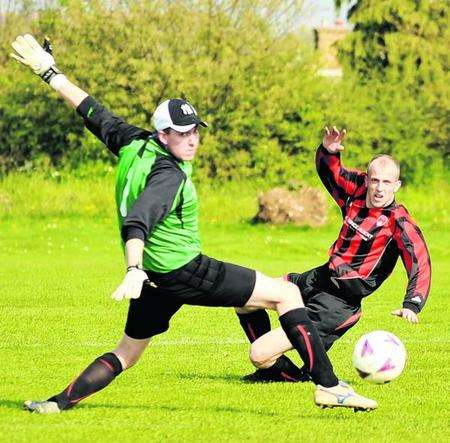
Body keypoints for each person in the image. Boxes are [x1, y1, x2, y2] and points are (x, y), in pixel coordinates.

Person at [11, 34, 377, 414]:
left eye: (195, 131)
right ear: (162, 134)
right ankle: (329, 387)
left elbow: (89, 108)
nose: (191, 140)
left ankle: (56, 404)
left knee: (127, 352)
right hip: (184, 270)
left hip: (156, 278)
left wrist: (48, 71)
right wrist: (132, 267)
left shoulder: (132, 142)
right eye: (181, 133)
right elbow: (138, 219)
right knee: (286, 295)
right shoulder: (170, 175)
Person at [237, 126, 431, 383]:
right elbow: (332, 173)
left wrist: (412, 304)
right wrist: (328, 151)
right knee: (243, 299)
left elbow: (420, 261)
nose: (379, 188)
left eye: (387, 182)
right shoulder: (356, 192)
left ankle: (290, 373)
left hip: (338, 305)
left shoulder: (398, 221)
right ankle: (273, 368)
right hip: (318, 278)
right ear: (367, 179)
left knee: (258, 353)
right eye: (375, 180)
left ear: (397, 185)